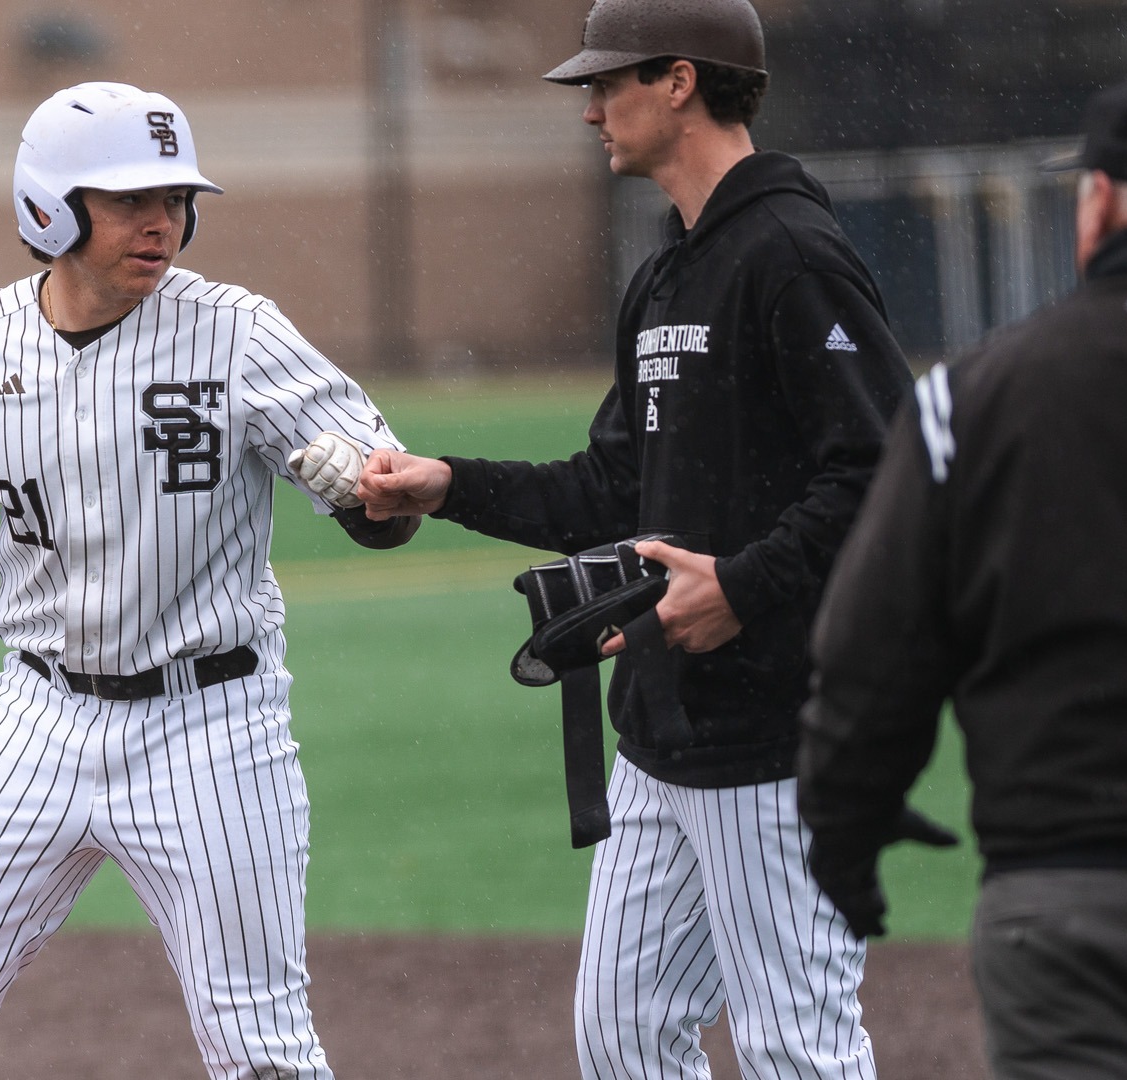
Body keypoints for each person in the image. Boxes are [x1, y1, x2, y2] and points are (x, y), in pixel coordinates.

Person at [348, 1, 920, 1075]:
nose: (589, 111)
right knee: (623, 1037)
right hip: (663, 733)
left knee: (798, 1044)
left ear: (680, 82)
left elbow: (890, 466)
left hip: (780, 735)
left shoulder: (791, 252)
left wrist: (744, 586)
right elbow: (615, 485)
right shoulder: (667, 271)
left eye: (606, 84)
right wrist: (447, 485)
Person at [0, 80, 418, 1080]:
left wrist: (368, 496)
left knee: (261, 1046)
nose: (162, 222)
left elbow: (391, 512)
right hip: (36, 716)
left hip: (213, 724)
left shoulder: (239, 332)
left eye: (177, 200)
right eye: (128, 200)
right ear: (49, 209)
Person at [796, 70, 1127, 1080]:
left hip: (1061, 903)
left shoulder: (971, 399)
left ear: (1098, 201)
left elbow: (870, 649)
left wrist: (843, 836)